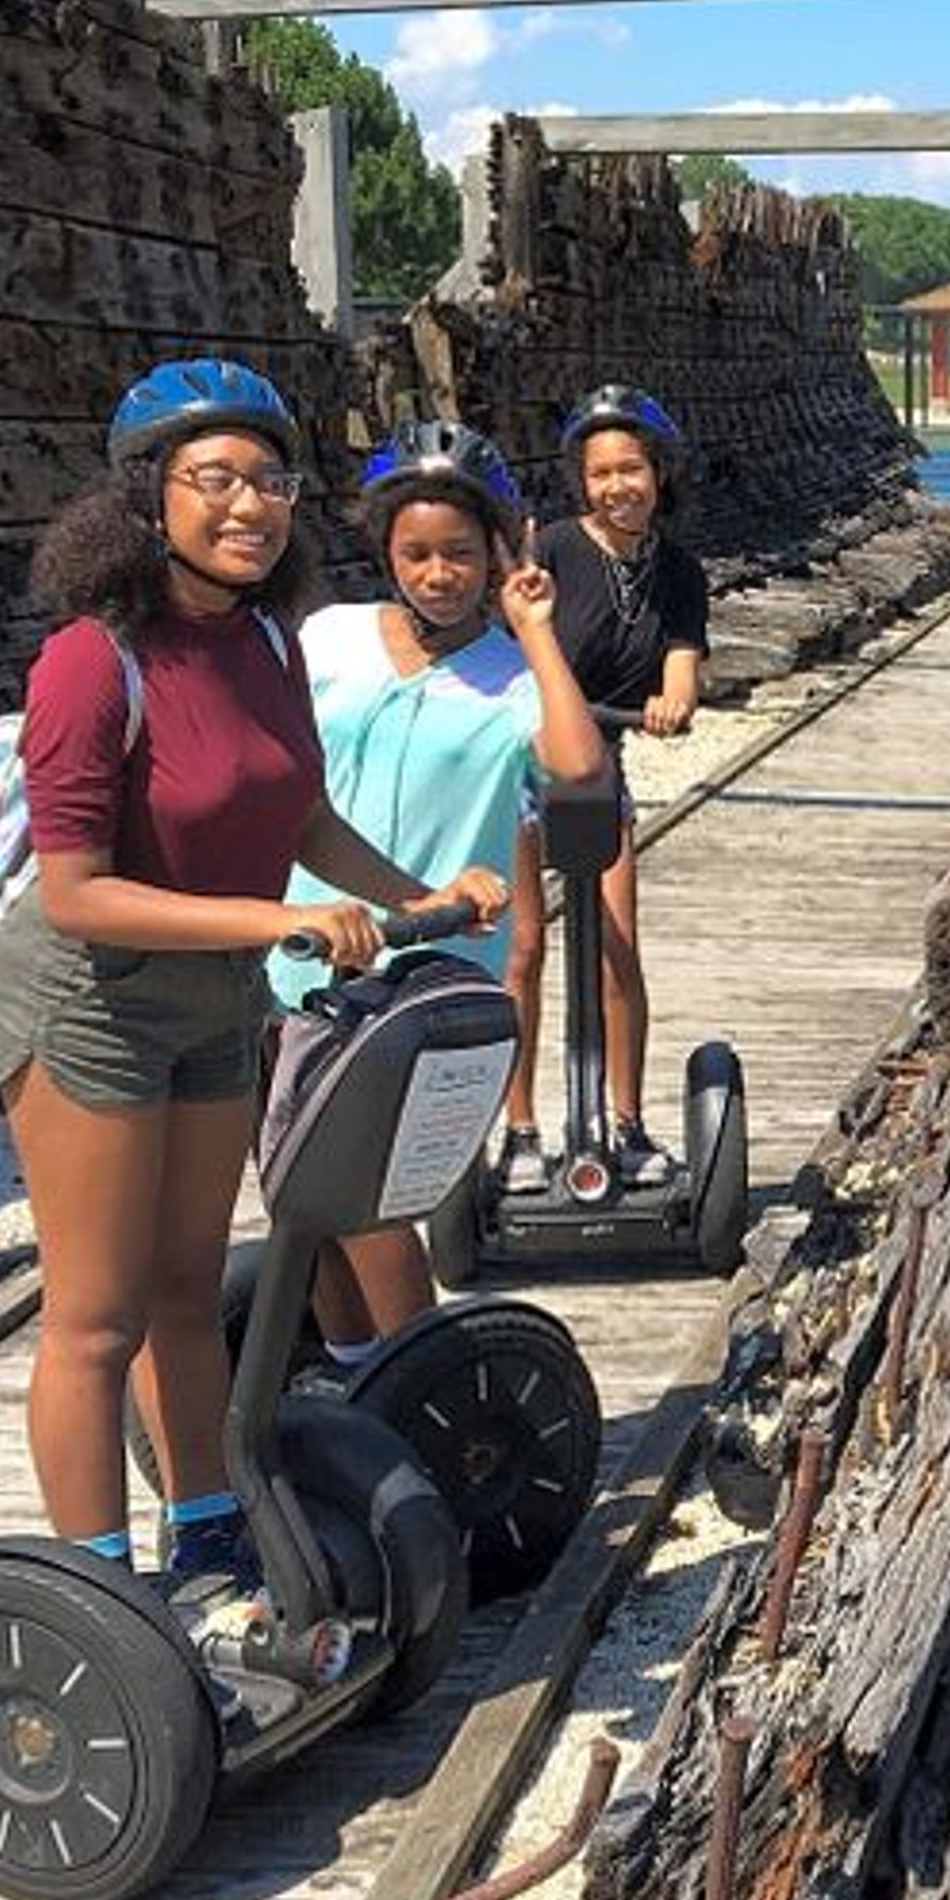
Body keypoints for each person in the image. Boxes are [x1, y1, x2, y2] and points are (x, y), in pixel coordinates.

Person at [0, 359, 503, 1582]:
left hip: (211, 1001)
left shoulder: (267, 639)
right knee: (96, 1315)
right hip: (88, 1004)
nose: (250, 506)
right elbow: (76, 892)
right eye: (214, 479)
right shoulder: (89, 662)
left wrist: (410, 900)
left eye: (270, 479)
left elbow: (302, 818)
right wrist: (272, 925)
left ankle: (206, 1540)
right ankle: (99, 1585)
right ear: (144, 496)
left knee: (182, 1287)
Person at [267, 418, 605, 1363]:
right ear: (384, 550)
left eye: (461, 552)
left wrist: (535, 628)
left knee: (366, 1204)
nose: (438, 573)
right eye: (415, 552)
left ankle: (427, 1387)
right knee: (297, 1200)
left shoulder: (512, 676)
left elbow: (579, 767)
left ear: (501, 548)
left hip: (421, 979)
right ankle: (351, 1375)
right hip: (291, 953)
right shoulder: (327, 638)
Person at [523, 382, 709, 1187]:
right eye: (599, 474)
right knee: (524, 948)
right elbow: (518, 640)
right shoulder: (556, 551)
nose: (615, 487)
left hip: (602, 765)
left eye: (630, 469)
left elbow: (682, 661)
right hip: (525, 764)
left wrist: (673, 703)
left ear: (658, 473)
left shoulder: (679, 572)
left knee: (615, 947)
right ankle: (522, 1130)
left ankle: (624, 1123)